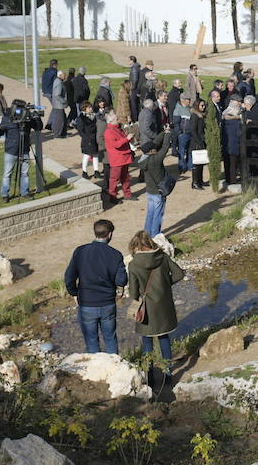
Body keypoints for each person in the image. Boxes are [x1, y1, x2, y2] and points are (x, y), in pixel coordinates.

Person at [127, 230, 186, 390]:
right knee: (164, 337)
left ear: (135, 246)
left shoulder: (133, 264)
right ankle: (168, 374)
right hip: (164, 304)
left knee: (147, 342)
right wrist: (165, 285)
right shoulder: (163, 257)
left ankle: (150, 375)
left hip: (145, 307)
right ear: (151, 243)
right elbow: (179, 274)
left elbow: (133, 292)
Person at [64, 219, 128, 354]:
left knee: (91, 341)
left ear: (95, 232)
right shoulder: (115, 254)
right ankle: (114, 370)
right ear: (110, 234)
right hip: (108, 303)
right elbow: (121, 280)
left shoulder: (80, 251)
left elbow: (69, 277)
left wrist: (74, 293)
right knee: (110, 339)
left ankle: (97, 371)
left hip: (87, 303)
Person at [0, 99, 41, 201]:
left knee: (25, 173)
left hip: (25, 149)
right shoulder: (7, 117)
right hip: (11, 150)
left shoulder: (27, 117)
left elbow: (38, 127)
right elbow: (0, 132)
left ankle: (25, 192)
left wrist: (36, 118)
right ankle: (5, 194)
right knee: (7, 173)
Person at [140, 130, 171, 237]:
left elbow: (156, 143)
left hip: (150, 191)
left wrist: (164, 131)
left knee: (150, 214)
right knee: (158, 215)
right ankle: (155, 236)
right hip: (158, 192)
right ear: (151, 151)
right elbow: (165, 147)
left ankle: (147, 234)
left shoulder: (143, 159)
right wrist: (167, 135)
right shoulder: (156, 160)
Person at [104, 111, 136, 200]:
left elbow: (122, 140)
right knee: (114, 179)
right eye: (116, 119)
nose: (118, 120)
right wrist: (127, 139)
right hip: (117, 158)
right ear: (111, 121)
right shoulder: (109, 132)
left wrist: (129, 138)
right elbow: (116, 145)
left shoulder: (118, 129)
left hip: (124, 157)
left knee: (125, 177)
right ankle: (112, 196)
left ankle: (127, 194)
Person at [221, 96, 244, 188]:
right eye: (238, 101)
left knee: (228, 162)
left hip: (227, 143)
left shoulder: (225, 115)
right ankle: (233, 181)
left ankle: (228, 179)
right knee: (233, 163)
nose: (239, 103)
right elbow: (239, 132)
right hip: (234, 143)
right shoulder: (236, 120)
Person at [77, 100, 102, 180]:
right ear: (84, 109)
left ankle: (96, 171)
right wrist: (87, 138)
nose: (91, 109)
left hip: (94, 138)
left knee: (95, 155)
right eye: (89, 108)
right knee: (87, 155)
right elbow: (80, 130)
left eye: (91, 107)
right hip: (87, 140)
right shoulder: (81, 118)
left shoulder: (94, 116)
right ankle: (84, 171)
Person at [188, 98, 209, 189]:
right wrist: (199, 142)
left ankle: (200, 181)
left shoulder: (201, 115)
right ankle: (195, 182)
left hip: (200, 141)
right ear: (197, 106)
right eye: (202, 105)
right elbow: (193, 130)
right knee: (196, 164)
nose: (203, 107)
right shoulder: (195, 116)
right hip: (196, 142)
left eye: (204, 105)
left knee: (201, 162)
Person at [48, 67, 68, 138]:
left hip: (58, 105)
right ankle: (57, 134)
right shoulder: (59, 82)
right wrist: (64, 101)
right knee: (59, 120)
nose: (65, 76)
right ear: (60, 75)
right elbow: (57, 94)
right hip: (59, 105)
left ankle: (63, 132)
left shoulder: (58, 81)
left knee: (62, 118)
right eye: (64, 75)